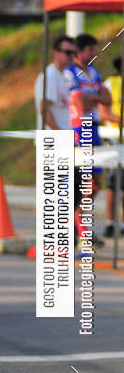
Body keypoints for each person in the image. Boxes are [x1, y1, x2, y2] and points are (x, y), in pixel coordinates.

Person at [66, 33, 112, 246]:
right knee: (83, 181)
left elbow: (107, 99)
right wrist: (95, 98)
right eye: (91, 50)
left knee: (96, 182)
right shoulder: (71, 73)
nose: (95, 54)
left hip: (94, 129)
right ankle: (78, 226)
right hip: (79, 128)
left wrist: (91, 97)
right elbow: (81, 105)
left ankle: (80, 221)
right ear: (80, 51)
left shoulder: (93, 72)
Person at [99, 57, 124, 237]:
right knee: (113, 184)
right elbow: (104, 112)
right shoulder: (111, 83)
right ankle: (110, 222)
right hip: (115, 139)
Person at [34, 34, 77, 129]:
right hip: (51, 138)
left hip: (61, 135)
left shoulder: (67, 75)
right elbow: (44, 109)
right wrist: (59, 134)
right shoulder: (50, 75)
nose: (72, 56)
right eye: (68, 52)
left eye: (74, 52)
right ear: (56, 52)